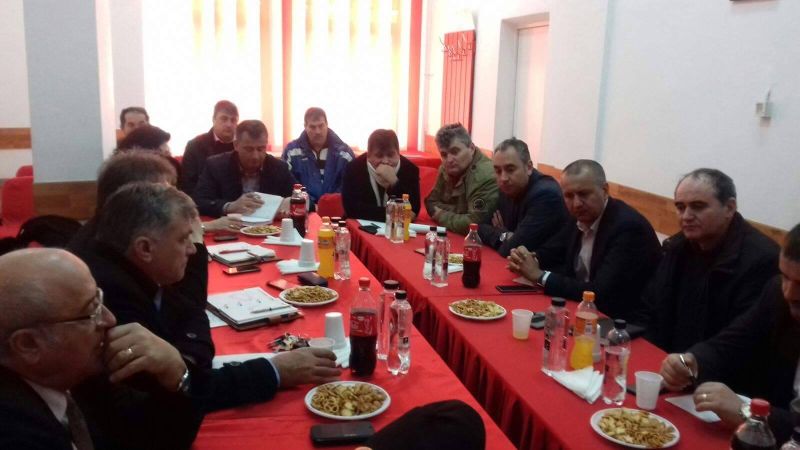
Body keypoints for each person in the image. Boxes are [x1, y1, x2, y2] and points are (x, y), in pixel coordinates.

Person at [70, 182, 340, 447]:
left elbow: (189, 323)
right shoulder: (114, 297)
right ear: (145, 249)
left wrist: (183, 361)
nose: (192, 249)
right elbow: (162, 424)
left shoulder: (125, 268)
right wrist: (273, 371)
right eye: (183, 239)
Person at [0, 248, 192, 449]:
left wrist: (175, 373)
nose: (110, 319)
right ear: (28, 344)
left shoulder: (75, 373)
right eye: (91, 311)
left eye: (99, 300)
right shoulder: (16, 434)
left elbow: (156, 438)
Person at [659, 223, 800, 444]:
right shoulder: (776, 293)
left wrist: (748, 413)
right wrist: (692, 361)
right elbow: (733, 342)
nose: (789, 293)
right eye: (785, 277)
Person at [640, 168, 779, 352]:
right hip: (667, 359)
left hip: (714, 365)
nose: (686, 216)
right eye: (680, 207)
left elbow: (742, 340)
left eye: (698, 206)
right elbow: (650, 307)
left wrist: (691, 361)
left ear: (729, 208)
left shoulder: (762, 260)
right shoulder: (676, 247)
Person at [508, 160, 661, 321]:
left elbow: (599, 293)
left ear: (604, 190)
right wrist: (526, 259)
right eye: (569, 196)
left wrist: (540, 276)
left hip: (622, 321)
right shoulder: (579, 216)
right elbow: (555, 250)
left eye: (584, 194)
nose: (577, 203)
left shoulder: (627, 228)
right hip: (584, 311)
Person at [478, 138, 568, 258]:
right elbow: (478, 227)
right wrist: (506, 235)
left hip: (544, 267)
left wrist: (505, 236)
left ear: (529, 167)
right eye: (498, 171)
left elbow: (511, 250)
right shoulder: (507, 186)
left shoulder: (546, 195)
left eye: (510, 169)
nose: (503, 178)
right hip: (514, 262)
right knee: (457, 260)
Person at [193, 120, 297, 218]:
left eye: (260, 149)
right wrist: (230, 207)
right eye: (249, 149)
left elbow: (301, 197)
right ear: (236, 145)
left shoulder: (278, 167)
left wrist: (288, 204)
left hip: (268, 227)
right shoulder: (216, 166)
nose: (255, 156)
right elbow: (199, 202)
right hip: (229, 226)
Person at [424, 123, 498, 234]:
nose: (449, 160)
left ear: (471, 148)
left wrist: (441, 215)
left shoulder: (485, 176)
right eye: (444, 154)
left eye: (455, 152)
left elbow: (474, 224)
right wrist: (462, 210)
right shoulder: (446, 168)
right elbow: (430, 202)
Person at [342, 129, 420, 221]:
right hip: (360, 224)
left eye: (390, 155)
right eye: (379, 156)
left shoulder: (410, 170)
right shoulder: (353, 169)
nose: (385, 161)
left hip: (397, 227)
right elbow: (352, 209)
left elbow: (413, 210)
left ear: (398, 154)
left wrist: (394, 182)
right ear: (368, 156)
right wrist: (394, 214)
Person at [282, 107, 355, 203]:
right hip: (302, 207)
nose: (318, 131)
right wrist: (310, 205)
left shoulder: (345, 154)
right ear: (305, 126)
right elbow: (286, 183)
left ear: (327, 124)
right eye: (312, 127)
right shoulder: (291, 152)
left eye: (321, 126)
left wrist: (329, 204)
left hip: (335, 208)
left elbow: (350, 186)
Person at [180, 100, 238, 195]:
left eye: (233, 120)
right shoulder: (195, 146)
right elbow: (188, 184)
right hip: (204, 200)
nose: (229, 124)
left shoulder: (242, 147)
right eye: (224, 119)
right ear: (213, 119)